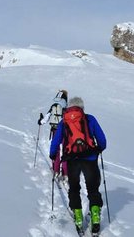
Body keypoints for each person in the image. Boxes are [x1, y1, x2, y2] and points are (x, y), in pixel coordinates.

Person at [49, 96, 107, 235]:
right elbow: (102, 140)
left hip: (72, 160)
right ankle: (95, 216)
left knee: (74, 188)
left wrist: (53, 154)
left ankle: (79, 216)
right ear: (82, 108)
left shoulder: (64, 121)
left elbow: (56, 141)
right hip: (90, 158)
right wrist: (99, 148)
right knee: (93, 189)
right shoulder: (90, 119)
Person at [38, 90, 68, 179]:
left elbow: (45, 119)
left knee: (56, 150)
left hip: (55, 130)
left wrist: (40, 121)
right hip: (65, 131)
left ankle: (56, 170)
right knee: (65, 151)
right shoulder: (66, 107)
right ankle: (65, 173)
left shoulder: (53, 106)